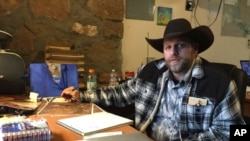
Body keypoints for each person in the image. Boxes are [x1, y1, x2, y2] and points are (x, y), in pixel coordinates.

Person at [61, 18, 246, 140]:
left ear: (195, 48)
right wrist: (82, 95)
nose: (173, 53)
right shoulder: (151, 72)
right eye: (168, 47)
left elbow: (235, 133)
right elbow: (120, 93)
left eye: (180, 46)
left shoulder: (219, 83)